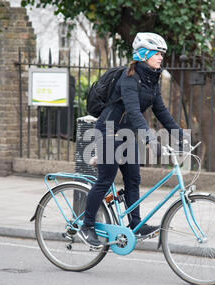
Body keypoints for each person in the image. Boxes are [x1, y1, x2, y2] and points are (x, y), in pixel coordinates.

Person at [80, 32, 187, 246]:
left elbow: (161, 111)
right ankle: (87, 225)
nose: (160, 57)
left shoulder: (152, 81)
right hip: (109, 131)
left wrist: (180, 134)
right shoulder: (129, 78)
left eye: (162, 54)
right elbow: (134, 111)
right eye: (157, 53)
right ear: (144, 53)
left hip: (128, 134)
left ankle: (135, 226)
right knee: (105, 179)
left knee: (133, 180)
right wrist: (150, 139)